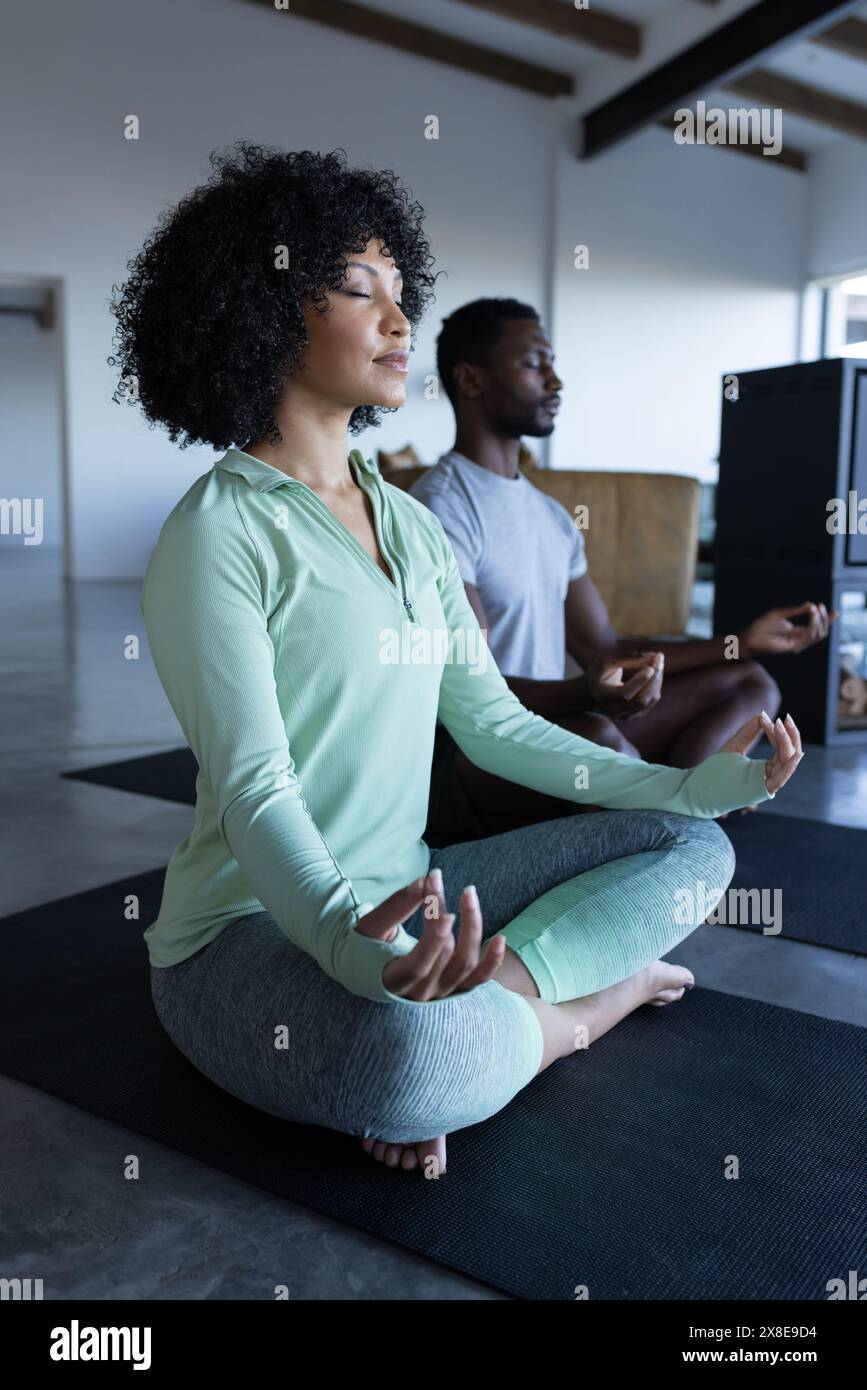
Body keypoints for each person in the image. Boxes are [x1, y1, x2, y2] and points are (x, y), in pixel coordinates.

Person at [111, 143, 803, 1178]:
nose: (400, 322)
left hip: (414, 893)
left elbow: (496, 725)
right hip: (244, 935)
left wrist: (684, 780)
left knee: (694, 844)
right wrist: (355, 948)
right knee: (402, 1056)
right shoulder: (219, 533)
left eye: (402, 294)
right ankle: (591, 1006)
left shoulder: (410, 526)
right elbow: (256, 790)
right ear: (263, 314)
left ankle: (488, 1021)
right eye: (358, 291)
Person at [410, 298, 832, 841]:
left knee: (749, 682)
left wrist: (744, 641)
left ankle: (675, 811)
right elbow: (475, 690)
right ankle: (677, 816)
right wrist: (587, 694)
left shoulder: (551, 516)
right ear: (470, 379)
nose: (556, 381)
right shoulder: (441, 506)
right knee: (598, 736)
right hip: (478, 760)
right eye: (536, 363)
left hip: (563, 723)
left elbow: (604, 647)